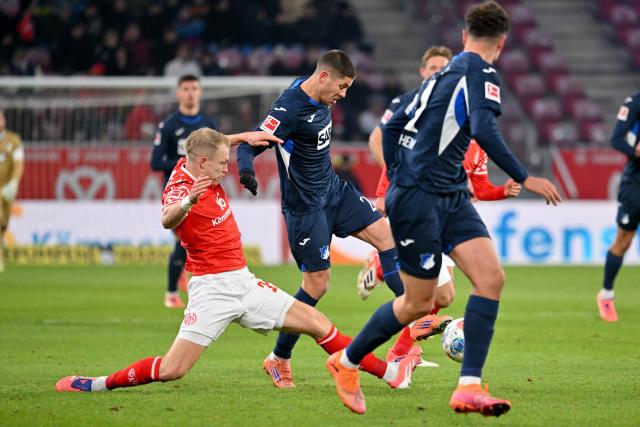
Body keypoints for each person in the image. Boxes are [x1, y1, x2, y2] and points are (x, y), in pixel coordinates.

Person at [326, 1, 562, 416]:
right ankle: (345, 363)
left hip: (450, 194)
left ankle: (468, 387)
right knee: (418, 303)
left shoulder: (441, 78)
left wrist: (400, 171)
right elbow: (487, 129)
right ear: (502, 43)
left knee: (490, 278)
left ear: (463, 36)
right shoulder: (480, 72)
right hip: (420, 199)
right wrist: (525, 177)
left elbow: (390, 127)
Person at [55, 128, 421, 394]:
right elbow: (167, 217)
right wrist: (188, 203)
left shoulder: (201, 159)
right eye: (220, 164)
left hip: (243, 282)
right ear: (201, 163)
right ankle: (97, 385)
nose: (226, 168)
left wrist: (244, 137)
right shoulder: (182, 187)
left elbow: (217, 143)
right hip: (212, 290)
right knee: (172, 369)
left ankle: (390, 373)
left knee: (316, 321)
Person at [237, 50, 424, 388]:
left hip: (336, 192)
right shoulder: (290, 108)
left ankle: (414, 312)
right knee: (317, 285)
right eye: (342, 86)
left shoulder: (318, 93)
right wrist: (246, 168)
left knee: (387, 238)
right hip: (306, 209)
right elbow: (250, 143)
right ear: (324, 77)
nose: (343, 94)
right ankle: (278, 357)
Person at [358, 47, 521, 365]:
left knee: (438, 296)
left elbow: (481, 188)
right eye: (431, 66)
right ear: (423, 72)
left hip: (450, 215)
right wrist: (386, 194)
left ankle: (394, 349)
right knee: (432, 296)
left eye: (442, 67)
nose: (437, 72)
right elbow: (393, 150)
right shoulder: (421, 118)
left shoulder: (473, 142)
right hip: (420, 211)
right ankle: (370, 353)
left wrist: (503, 191)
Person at [150, 74, 217, 308]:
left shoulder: (209, 125)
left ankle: (191, 283)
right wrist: (185, 163)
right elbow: (156, 162)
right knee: (182, 242)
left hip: (203, 192)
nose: (190, 93)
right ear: (179, 93)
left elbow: (217, 158)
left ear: (200, 93)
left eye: (194, 88)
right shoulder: (169, 125)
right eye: (186, 88)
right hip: (178, 192)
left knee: (200, 242)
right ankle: (171, 294)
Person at [596, 91, 640, 322]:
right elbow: (616, 139)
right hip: (636, 184)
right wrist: (635, 151)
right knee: (624, 240)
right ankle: (606, 294)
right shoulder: (634, 103)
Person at [0, 110, 24, 273]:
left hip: (6, 191)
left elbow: (18, 163)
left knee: (3, 224)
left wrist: (14, 182)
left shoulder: (13, 141)